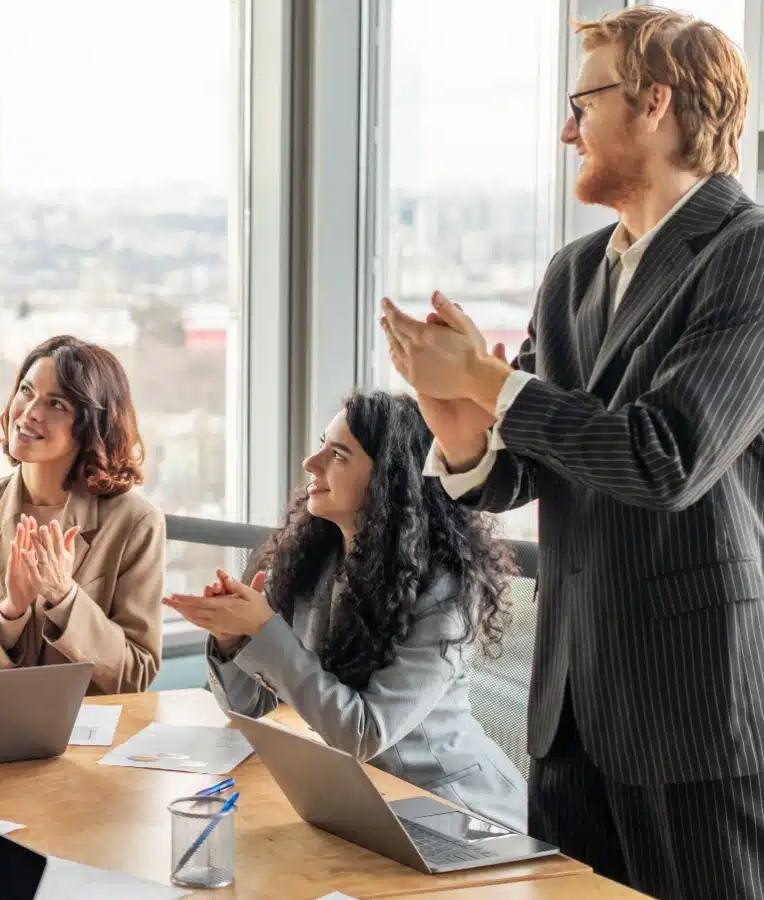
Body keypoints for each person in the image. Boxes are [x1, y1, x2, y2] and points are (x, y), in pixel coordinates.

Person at [378, 8, 764, 896]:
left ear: (655, 102)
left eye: (581, 103)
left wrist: (488, 379)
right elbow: (518, 468)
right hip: (570, 711)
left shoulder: (746, 255)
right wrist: (455, 412)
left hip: (694, 707)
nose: (565, 129)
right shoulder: (574, 273)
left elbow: (663, 459)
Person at [165, 393, 526, 833]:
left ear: (390, 479)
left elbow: (365, 733)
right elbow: (250, 708)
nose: (310, 463)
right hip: (360, 801)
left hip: (453, 811)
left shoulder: (444, 589)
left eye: (337, 454)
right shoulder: (311, 562)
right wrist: (232, 639)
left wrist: (263, 629)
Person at [0, 336, 164, 694]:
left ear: (91, 426)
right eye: (26, 391)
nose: (30, 412)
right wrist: (11, 611)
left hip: (88, 739)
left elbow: (135, 672)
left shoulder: (135, 523)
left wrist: (64, 597)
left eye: (56, 404)